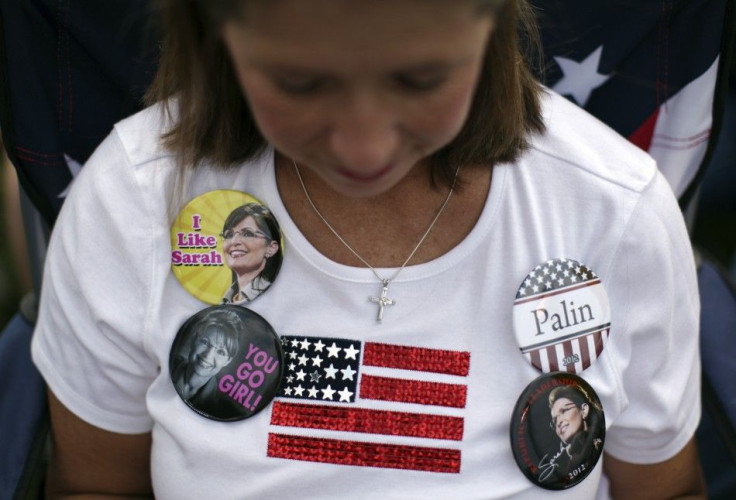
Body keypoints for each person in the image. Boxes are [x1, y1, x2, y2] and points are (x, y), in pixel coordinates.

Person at [31, 0, 706, 498]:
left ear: (493, 27)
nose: (365, 149)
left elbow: (663, 487)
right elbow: (94, 486)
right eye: (300, 83)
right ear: (217, 36)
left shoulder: (613, 212)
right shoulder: (136, 201)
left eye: (420, 80)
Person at [170, 308, 240, 415]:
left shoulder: (221, 407)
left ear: (228, 361)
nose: (208, 355)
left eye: (221, 352)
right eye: (205, 342)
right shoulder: (167, 363)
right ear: (194, 339)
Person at [538, 385, 605, 484]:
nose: (559, 421)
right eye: (555, 420)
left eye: (564, 411)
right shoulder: (559, 463)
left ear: (584, 410)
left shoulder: (597, 444)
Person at [220, 202, 282, 304]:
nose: (234, 241)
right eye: (229, 235)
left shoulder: (276, 298)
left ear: (271, 248)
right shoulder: (225, 300)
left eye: (248, 234)